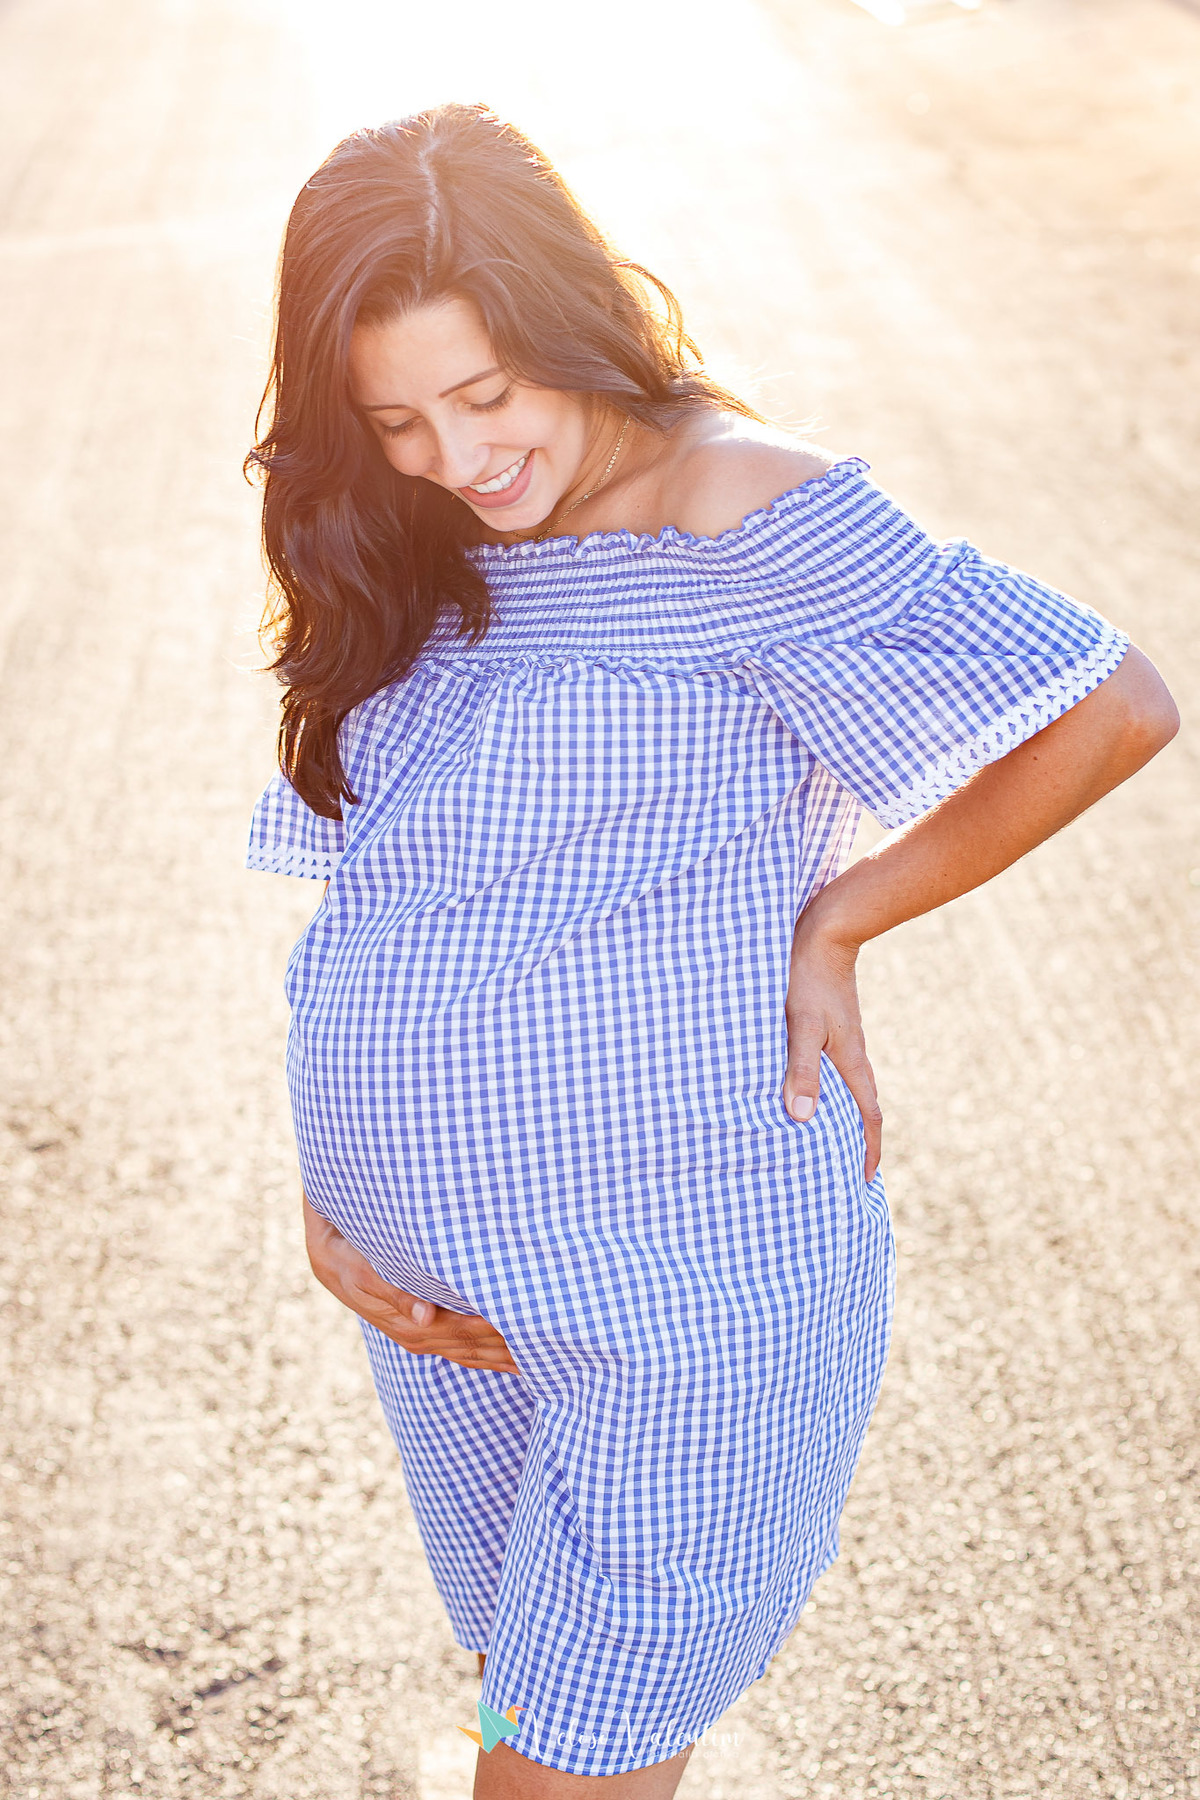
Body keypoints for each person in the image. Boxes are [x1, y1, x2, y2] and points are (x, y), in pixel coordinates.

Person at [244, 102, 1177, 1798]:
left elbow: (1111, 708)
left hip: (677, 1288)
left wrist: (846, 914)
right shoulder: (440, 539)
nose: (458, 457)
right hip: (454, 1303)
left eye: (486, 395)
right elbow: (384, 879)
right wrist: (343, 1172)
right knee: (528, 1705)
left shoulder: (740, 508)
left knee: (564, 1754)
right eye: (398, 421)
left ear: (567, 320)